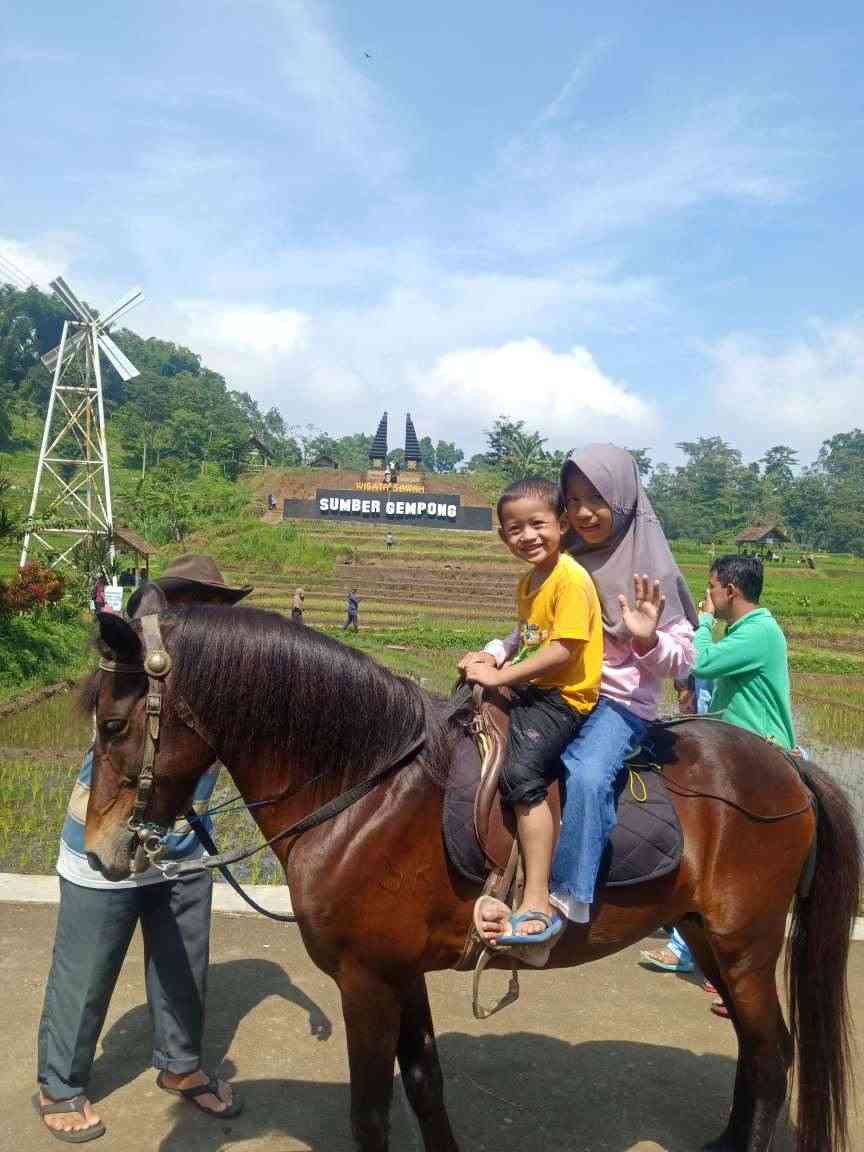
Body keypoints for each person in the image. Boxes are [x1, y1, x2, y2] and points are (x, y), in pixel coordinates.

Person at [36, 556, 253, 1142]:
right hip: (104, 845)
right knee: (84, 975)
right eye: (191, 600)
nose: (206, 615)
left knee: (184, 969)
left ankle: (180, 1068)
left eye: (217, 604)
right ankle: (60, 1084)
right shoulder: (133, 669)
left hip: (182, 847)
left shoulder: (223, 679)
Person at [475, 446, 696, 938]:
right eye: (573, 500)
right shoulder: (565, 558)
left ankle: (566, 897)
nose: (584, 512)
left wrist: (646, 637)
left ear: (624, 498)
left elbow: (684, 659)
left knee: (589, 774)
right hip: (561, 693)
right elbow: (533, 630)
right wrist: (494, 651)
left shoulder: (649, 569)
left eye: (597, 498)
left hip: (616, 703)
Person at [640, 554, 795, 1016]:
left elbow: (701, 661)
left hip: (760, 760)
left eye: (711, 589)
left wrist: (702, 622)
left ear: (729, 589)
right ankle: (713, 965)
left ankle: (746, 983)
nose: (708, 597)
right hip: (736, 754)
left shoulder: (759, 632)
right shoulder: (748, 632)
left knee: (746, 895)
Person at [460, 478, 603, 956]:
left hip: (565, 698)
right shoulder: (530, 581)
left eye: (537, 524)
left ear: (560, 524)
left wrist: (503, 677)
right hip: (534, 687)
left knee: (522, 774)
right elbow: (526, 636)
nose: (527, 536)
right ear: (504, 537)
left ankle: (538, 898)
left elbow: (563, 650)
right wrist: (489, 656)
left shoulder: (571, 578)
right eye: (514, 529)